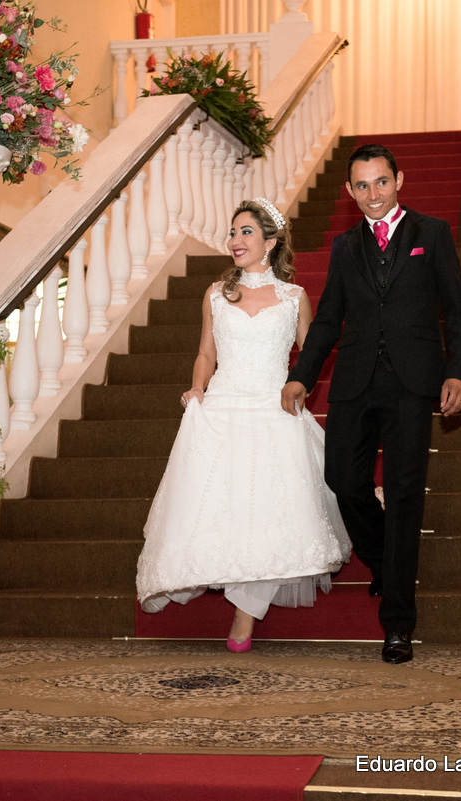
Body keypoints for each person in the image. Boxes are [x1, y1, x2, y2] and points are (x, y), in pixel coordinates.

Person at [281, 144, 461, 664]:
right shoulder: (346, 246)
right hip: (355, 381)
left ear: (399, 180)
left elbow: (456, 311)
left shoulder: (431, 235)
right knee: (342, 478)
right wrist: (301, 376)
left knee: (406, 496)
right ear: (349, 191)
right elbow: (326, 321)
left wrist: (458, 371)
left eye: (381, 182)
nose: (373, 194)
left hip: (414, 383)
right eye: (362, 186)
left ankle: (397, 624)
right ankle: (385, 562)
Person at [136, 199, 352, 652]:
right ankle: (226, 583)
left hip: (275, 409)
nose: (235, 240)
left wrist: (299, 389)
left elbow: (309, 358)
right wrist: (197, 389)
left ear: (270, 243)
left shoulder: (295, 298)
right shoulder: (216, 293)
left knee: (276, 510)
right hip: (224, 405)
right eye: (233, 232)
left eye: (246, 232)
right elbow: (206, 354)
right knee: (223, 503)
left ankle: (244, 614)